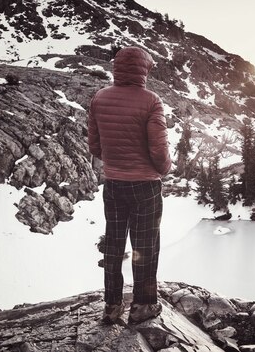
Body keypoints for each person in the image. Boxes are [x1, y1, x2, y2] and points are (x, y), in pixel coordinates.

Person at [87, 46, 171, 324]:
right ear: (143, 70)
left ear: (117, 68)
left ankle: (112, 306)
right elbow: (158, 148)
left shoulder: (99, 98)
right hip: (145, 187)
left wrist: (116, 163)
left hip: (113, 184)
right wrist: (164, 169)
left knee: (113, 244)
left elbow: (95, 146)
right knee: (144, 246)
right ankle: (143, 306)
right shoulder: (151, 101)